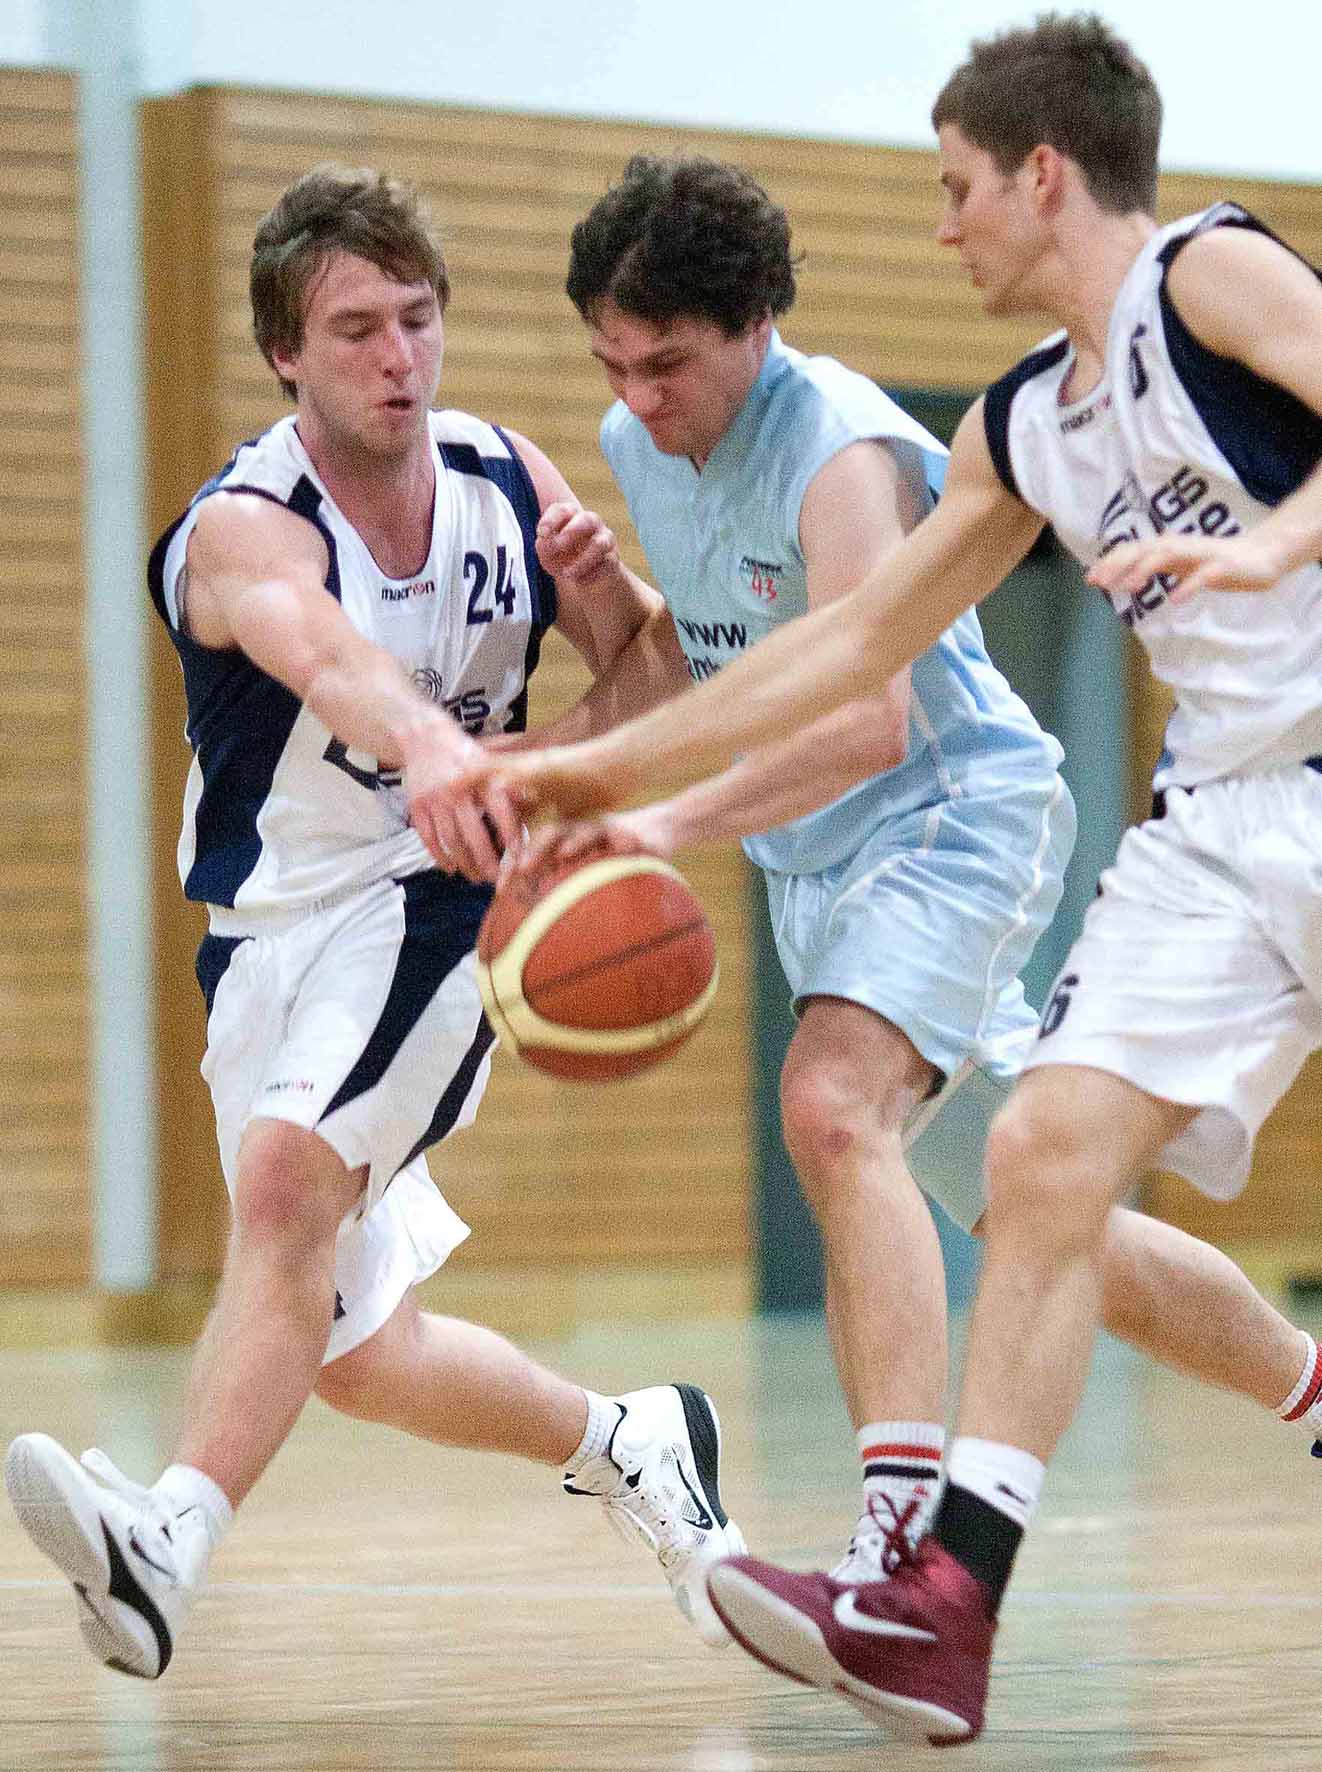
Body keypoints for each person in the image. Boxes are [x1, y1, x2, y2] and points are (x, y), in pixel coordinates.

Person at [452, 15, 1322, 1746]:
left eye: (954, 187)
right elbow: (848, 647)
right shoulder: (1020, 428)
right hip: (1219, 815)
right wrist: (588, 775)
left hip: (1140, 791)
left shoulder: (1205, 276)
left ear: (1042, 175)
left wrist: (1283, 538)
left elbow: (871, 715)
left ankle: (908, 1539)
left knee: (901, 1125)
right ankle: (936, 1612)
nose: (938, 226)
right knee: (1036, 1161)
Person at [2, 164, 745, 1681]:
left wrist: (554, 724)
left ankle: (165, 1546)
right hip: (265, 935)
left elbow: (660, 676)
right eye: (356, 329)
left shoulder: (506, 480)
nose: (398, 356)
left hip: (437, 903)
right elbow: (329, 659)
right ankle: (634, 1441)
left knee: (287, 1189)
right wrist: (440, 747)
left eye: (418, 318)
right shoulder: (243, 527)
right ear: (286, 351)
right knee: (352, 1351)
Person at [516, 150, 1077, 1590]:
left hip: (948, 810)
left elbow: (863, 719)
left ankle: (900, 1546)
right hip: (817, 858)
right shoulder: (637, 441)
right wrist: (575, 674)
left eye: (668, 365)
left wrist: (657, 825)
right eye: (613, 365)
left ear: (756, 325)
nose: (639, 397)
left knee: (828, 1109)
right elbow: (702, 659)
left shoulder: (840, 449)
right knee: (1039, 1209)